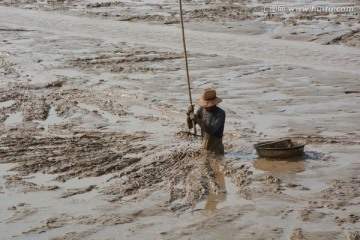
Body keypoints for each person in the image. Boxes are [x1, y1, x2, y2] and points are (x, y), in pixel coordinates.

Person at [187, 88, 226, 154]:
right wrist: (189, 114)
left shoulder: (220, 113)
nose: (205, 107)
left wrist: (197, 119)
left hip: (216, 150)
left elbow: (211, 130)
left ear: (214, 104)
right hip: (204, 147)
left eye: (207, 105)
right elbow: (190, 126)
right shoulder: (201, 110)